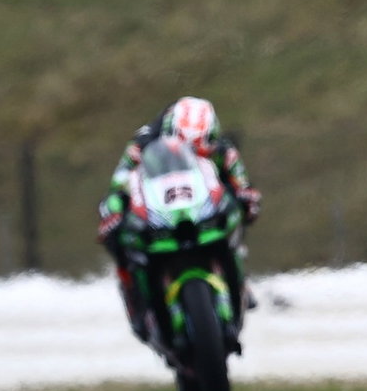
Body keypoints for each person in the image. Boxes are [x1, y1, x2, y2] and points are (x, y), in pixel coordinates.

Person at [96, 96, 261, 342]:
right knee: (115, 237)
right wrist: (116, 210)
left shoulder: (222, 149)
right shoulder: (143, 143)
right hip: (158, 211)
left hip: (203, 209)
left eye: (203, 149)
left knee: (234, 213)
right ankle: (134, 297)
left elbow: (241, 184)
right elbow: (120, 182)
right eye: (190, 149)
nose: (196, 154)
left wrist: (246, 197)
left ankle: (239, 278)